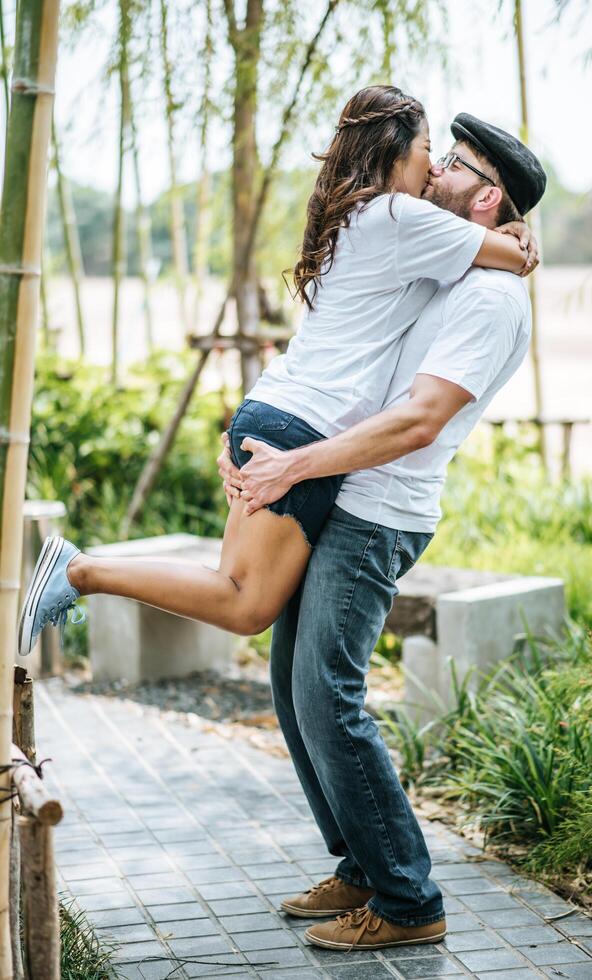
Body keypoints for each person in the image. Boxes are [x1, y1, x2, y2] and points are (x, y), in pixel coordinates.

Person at [17, 87, 536, 658]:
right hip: (302, 424)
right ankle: (82, 571)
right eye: (428, 150)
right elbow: (516, 260)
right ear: (393, 153)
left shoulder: (362, 216)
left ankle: (83, 569)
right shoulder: (400, 216)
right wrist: (516, 234)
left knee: (236, 592)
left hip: (278, 410)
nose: (433, 167)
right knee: (244, 605)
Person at [217, 112, 547, 952]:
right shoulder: (453, 259)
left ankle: (406, 899)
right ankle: (361, 866)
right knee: (295, 686)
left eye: (457, 164)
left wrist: (292, 467)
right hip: (342, 485)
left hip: (379, 510)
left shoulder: (491, 298)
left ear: (488, 193)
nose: (436, 170)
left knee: (327, 694)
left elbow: (419, 422)